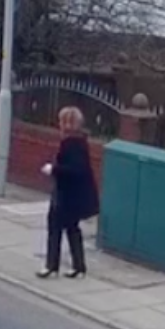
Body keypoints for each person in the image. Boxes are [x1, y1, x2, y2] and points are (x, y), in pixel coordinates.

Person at [37, 106, 100, 280]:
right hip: (72, 195)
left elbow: (75, 170)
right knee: (72, 229)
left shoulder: (71, 144)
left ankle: (52, 266)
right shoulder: (79, 142)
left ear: (67, 123)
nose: (59, 124)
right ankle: (78, 267)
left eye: (61, 121)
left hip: (67, 195)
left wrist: (53, 169)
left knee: (55, 228)